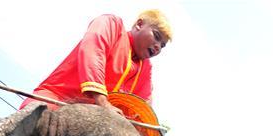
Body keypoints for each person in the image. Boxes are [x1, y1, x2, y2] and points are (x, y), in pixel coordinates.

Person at [20, 10, 172, 113]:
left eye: (163, 45)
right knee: (26, 122)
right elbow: (93, 51)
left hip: (93, 121)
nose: (158, 46)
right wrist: (102, 101)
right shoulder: (112, 24)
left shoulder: (145, 68)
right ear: (139, 25)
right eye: (156, 36)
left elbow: (142, 107)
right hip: (55, 99)